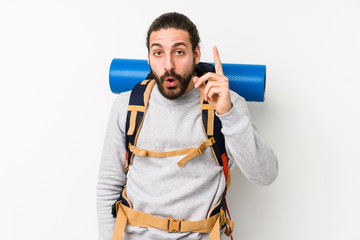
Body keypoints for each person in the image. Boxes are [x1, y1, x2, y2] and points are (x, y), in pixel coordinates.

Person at [97, 12, 278, 240]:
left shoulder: (226, 103)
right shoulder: (127, 105)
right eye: (158, 53)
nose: (168, 65)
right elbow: (108, 187)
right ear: (149, 58)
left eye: (179, 52)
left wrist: (228, 114)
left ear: (196, 54)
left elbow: (265, 175)